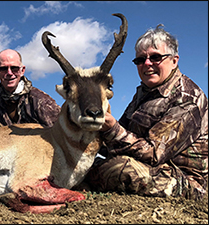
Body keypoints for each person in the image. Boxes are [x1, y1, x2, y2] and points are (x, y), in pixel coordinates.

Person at [80, 25, 208, 201]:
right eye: (140, 60)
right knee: (82, 160)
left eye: (155, 57)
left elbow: (155, 154)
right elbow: (120, 137)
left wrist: (111, 129)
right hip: (149, 166)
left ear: (174, 60)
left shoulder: (187, 98)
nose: (147, 64)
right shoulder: (143, 93)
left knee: (120, 169)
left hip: (185, 182)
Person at [0, 49, 61, 135]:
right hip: (6, 146)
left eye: (14, 68)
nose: (9, 73)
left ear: (22, 70)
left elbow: (61, 133)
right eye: (3, 69)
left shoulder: (41, 100)